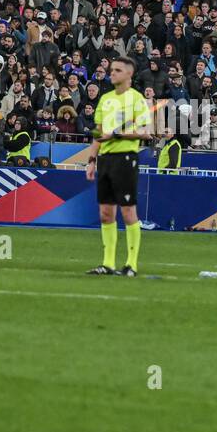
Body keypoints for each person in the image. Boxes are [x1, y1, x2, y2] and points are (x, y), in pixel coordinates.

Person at [85, 56, 152, 276]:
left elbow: (145, 133)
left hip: (125, 158)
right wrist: (91, 160)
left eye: (117, 70)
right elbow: (98, 132)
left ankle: (131, 264)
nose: (112, 73)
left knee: (128, 212)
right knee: (105, 213)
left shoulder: (137, 100)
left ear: (129, 74)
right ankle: (108, 263)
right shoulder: (105, 99)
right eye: (111, 69)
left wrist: (116, 134)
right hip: (105, 160)